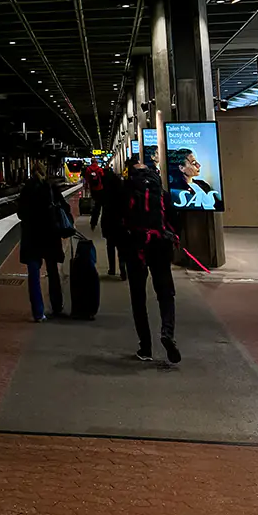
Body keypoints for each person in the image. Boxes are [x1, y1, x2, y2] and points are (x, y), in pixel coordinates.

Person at [120, 155, 181, 364]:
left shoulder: (126, 192)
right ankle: (167, 333)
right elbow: (174, 221)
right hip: (160, 248)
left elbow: (115, 223)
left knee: (138, 298)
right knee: (165, 293)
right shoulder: (162, 194)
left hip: (135, 248)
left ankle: (145, 348)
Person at [17, 159, 71, 321]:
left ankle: (38, 313)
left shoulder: (26, 189)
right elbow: (64, 208)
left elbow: (21, 214)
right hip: (50, 235)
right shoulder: (50, 187)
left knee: (33, 275)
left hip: (31, 237)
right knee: (53, 271)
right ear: (44, 171)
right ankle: (56, 306)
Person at [91, 166, 126, 279]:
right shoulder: (121, 189)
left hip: (108, 220)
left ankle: (111, 268)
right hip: (121, 221)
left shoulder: (104, 190)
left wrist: (93, 221)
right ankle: (122, 268)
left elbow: (97, 206)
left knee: (110, 245)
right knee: (121, 246)